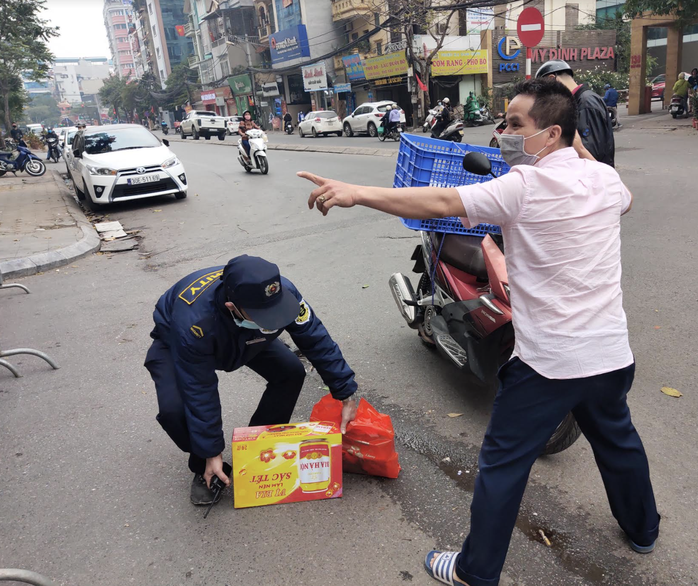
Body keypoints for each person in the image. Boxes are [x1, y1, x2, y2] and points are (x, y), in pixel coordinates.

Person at [297, 77, 659, 586]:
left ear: (551, 134)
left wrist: (357, 193)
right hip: (611, 355)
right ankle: (643, 529)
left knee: (503, 466)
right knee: (618, 442)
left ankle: (475, 571)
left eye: (515, 125)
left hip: (548, 365)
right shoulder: (603, 179)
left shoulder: (524, 185)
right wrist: (578, 145)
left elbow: (442, 203)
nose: (503, 133)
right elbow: (624, 197)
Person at [145, 254, 359, 505]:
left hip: (246, 334)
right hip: (179, 343)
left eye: (276, 312)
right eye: (265, 315)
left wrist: (345, 392)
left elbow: (316, 338)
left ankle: (258, 451)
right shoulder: (193, 323)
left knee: (290, 372)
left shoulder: (285, 291)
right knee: (174, 410)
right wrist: (211, 451)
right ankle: (206, 467)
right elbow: (199, 389)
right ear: (232, 306)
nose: (274, 320)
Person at [536, 59, 615, 167]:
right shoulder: (577, 102)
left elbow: (590, 152)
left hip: (593, 174)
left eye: (544, 91)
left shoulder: (586, 103)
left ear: (552, 79)